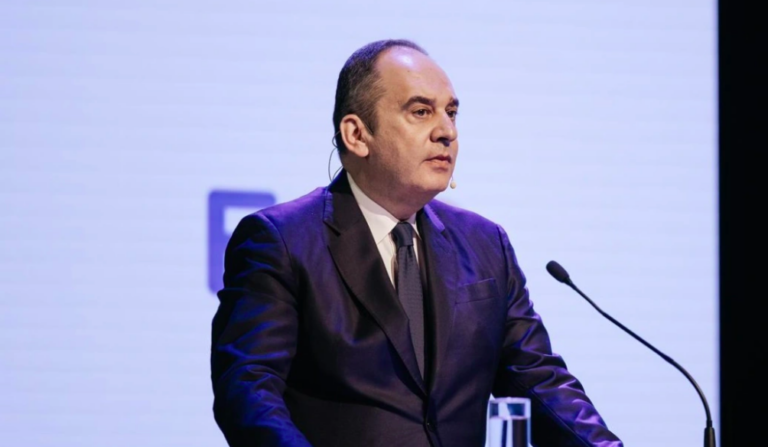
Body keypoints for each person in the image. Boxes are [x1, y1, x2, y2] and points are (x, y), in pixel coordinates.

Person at [210, 39, 623, 447]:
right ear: (357, 134)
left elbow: (540, 382)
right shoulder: (281, 241)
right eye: (421, 111)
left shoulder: (486, 245)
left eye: (452, 113)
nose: (447, 132)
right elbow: (249, 392)